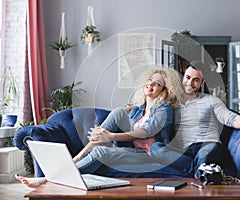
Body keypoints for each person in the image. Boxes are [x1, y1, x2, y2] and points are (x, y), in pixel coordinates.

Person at [16, 66, 183, 188]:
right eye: (150, 80)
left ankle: (48, 179)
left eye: (157, 84)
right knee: (118, 112)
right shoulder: (139, 109)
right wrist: (124, 110)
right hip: (130, 148)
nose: (151, 85)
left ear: (164, 90)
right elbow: (123, 114)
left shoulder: (164, 109)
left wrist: (110, 137)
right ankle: (79, 157)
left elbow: (146, 131)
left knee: (101, 151)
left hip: (149, 154)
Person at [149, 65, 240, 179]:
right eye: (188, 77)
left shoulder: (211, 101)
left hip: (208, 145)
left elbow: (230, 118)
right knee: (155, 148)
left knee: (204, 155)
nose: (190, 83)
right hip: (184, 151)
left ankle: (198, 172)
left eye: (196, 80)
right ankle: (199, 171)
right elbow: (152, 109)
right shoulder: (172, 102)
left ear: (202, 83)